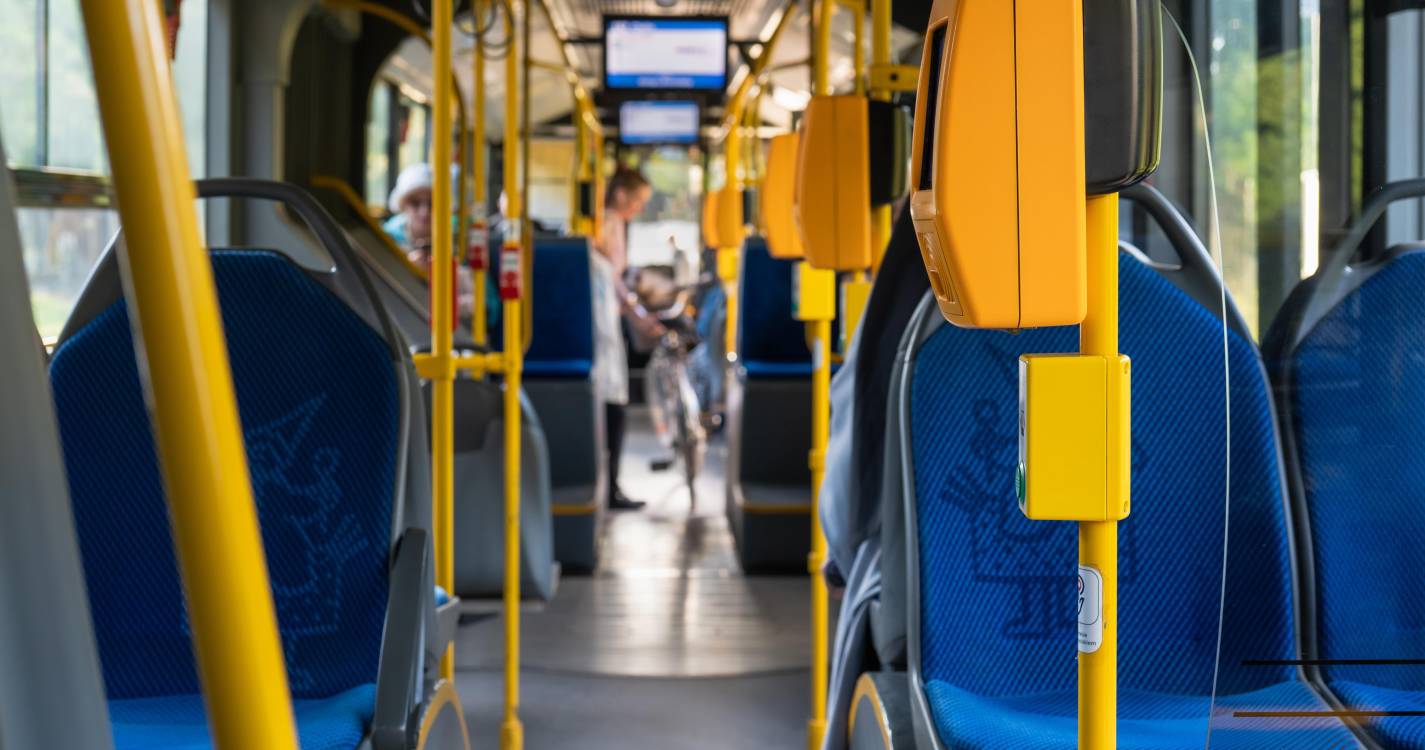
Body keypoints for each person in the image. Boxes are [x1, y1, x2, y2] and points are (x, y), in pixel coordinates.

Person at [593, 167, 664, 511]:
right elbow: (614, 279)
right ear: (621, 195)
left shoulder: (605, 228)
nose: (639, 208)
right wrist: (639, 316)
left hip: (605, 323)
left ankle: (609, 484)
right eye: (637, 201)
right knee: (614, 407)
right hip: (602, 330)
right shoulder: (609, 223)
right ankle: (610, 487)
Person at [385, 163, 475, 319]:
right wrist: (406, 271)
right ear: (403, 205)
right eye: (415, 203)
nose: (424, 212)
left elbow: (488, 305)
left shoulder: (461, 238)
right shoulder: (386, 239)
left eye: (432, 203)